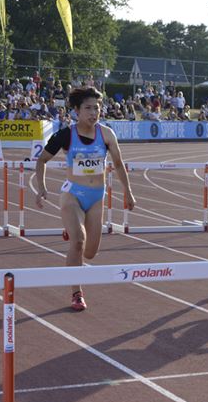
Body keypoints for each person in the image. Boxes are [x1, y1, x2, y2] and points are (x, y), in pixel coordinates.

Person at [35, 87, 135, 311]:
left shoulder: (107, 134)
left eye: (97, 108)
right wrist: (41, 187)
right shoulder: (65, 135)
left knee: (90, 253)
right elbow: (41, 161)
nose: (94, 112)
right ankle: (76, 293)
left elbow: (118, 165)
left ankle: (72, 230)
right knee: (78, 241)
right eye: (88, 108)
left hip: (97, 197)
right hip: (73, 195)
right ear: (76, 111)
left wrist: (128, 191)